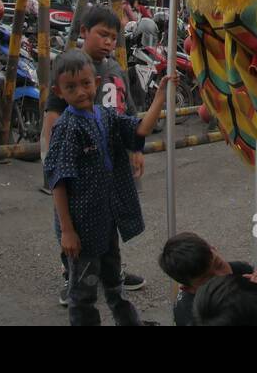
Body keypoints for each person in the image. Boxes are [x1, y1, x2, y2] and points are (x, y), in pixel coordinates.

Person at [43, 50, 175, 326]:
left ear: (96, 82)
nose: (81, 92)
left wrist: (160, 97)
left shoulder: (106, 116)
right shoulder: (66, 127)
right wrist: (67, 230)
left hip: (106, 221)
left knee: (114, 283)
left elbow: (139, 131)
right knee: (83, 294)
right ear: (58, 91)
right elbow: (58, 180)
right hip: (81, 229)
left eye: (86, 84)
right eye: (71, 87)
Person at [42, 4, 144, 302]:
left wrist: (136, 149)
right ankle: (72, 274)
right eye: (102, 34)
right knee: (73, 218)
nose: (108, 42)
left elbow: (128, 109)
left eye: (113, 37)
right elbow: (52, 115)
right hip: (78, 163)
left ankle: (111, 271)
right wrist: (55, 157)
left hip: (111, 161)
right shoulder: (72, 68)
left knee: (108, 217)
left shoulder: (114, 69)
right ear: (84, 32)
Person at [160, 232, 257, 326]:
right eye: (209, 279)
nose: (223, 275)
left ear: (214, 249)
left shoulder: (241, 270)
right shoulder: (192, 316)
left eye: (219, 264)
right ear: (188, 289)